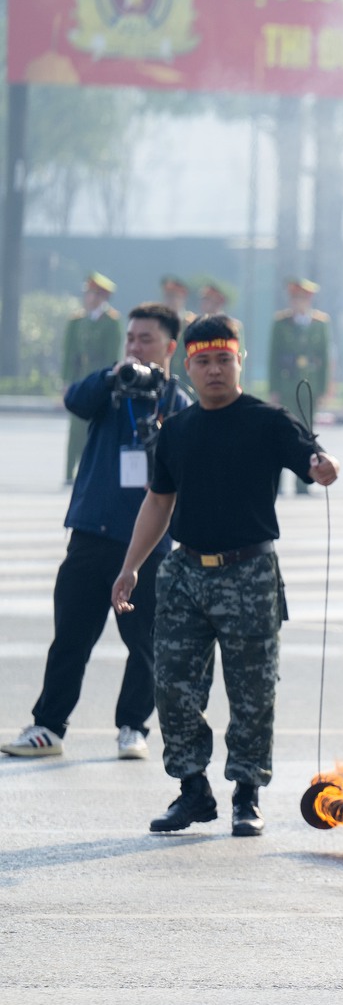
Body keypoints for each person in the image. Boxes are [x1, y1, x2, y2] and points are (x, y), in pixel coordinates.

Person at [115, 314, 341, 836]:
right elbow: (158, 501)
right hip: (184, 574)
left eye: (224, 359)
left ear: (240, 361)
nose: (214, 370)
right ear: (188, 366)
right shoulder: (178, 430)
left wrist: (324, 464)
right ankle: (193, 790)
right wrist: (130, 567)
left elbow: (309, 456)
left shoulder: (267, 421)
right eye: (203, 361)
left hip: (249, 574)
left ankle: (247, 793)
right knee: (172, 686)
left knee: (253, 691)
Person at [4, 304, 193, 761]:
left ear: (169, 347)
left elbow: (187, 464)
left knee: (145, 644)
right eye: (130, 338)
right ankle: (48, 727)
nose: (134, 346)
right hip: (93, 531)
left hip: (149, 545)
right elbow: (75, 400)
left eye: (145, 339)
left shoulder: (176, 401)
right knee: (71, 638)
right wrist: (113, 375)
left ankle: (133, 727)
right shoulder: (110, 387)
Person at [268, 277, 331, 494]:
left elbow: (324, 359)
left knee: (307, 435)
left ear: (309, 300)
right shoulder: (281, 323)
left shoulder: (320, 324)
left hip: (310, 387)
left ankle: (303, 483)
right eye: (295, 298)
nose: (298, 302)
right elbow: (273, 358)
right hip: (286, 386)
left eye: (302, 298)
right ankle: (277, 484)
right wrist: (273, 389)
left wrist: (323, 389)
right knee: (281, 432)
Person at [62, 273, 122, 483]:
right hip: (79, 379)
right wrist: (66, 381)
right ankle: (69, 473)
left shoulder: (111, 322)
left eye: (96, 294)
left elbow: (112, 356)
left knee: (96, 428)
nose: (91, 298)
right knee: (75, 427)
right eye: (88, 293)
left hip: (99, 380)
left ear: (104, 296)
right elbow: (68, 353)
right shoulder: (77, 321)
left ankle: (91, 472)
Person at [160, 276, 195, 383]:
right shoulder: (159, 323)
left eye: (174, 296)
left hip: (185, 382)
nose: (170, 301)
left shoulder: (192, 324)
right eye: (167, 296)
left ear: (183, 298)